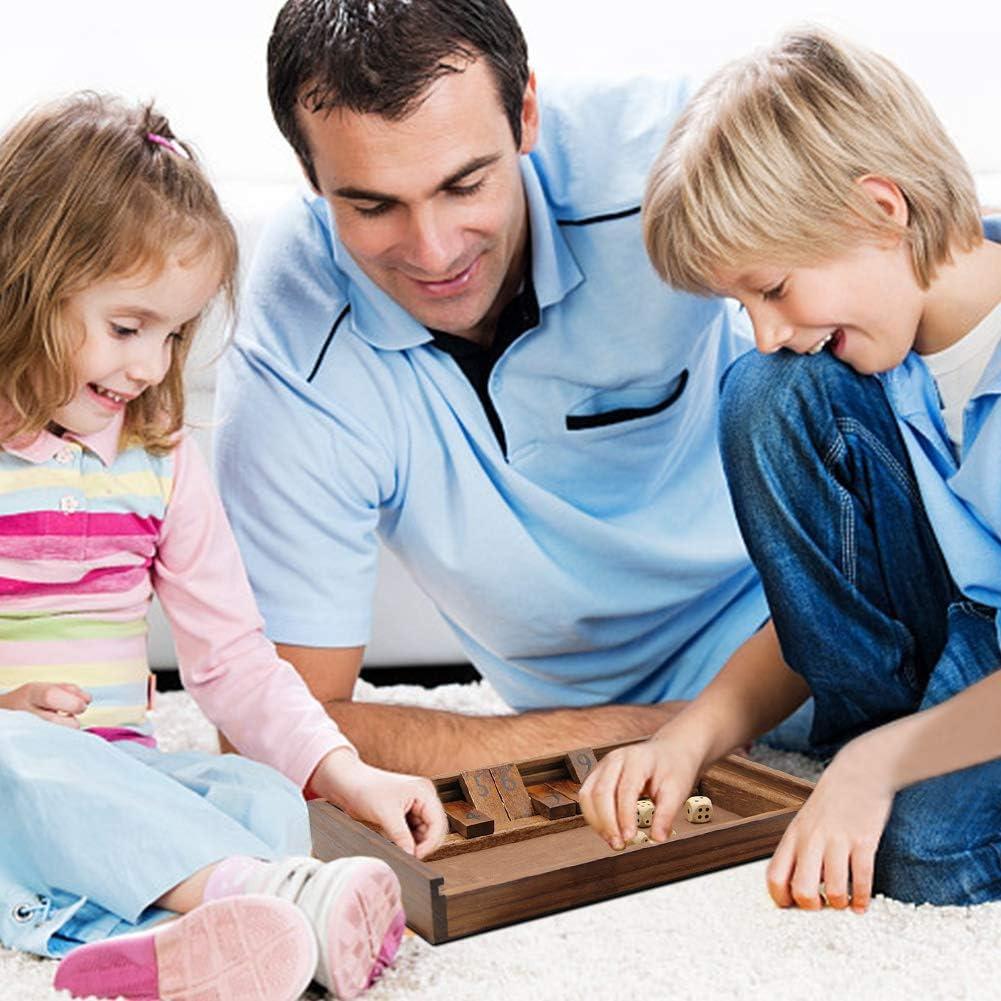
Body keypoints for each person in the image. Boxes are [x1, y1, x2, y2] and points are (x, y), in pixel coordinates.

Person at [214, 0, 770, 776]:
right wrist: (663, 727)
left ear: (527, 116)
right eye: (372, 205)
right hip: (606, 707)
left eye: (465, 184)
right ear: (309, 175)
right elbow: (269, 729)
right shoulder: (292, 348)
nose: (434, 251)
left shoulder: (668, 156)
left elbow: (907, 268)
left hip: (818, 609)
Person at [0, 92, 447, 1000]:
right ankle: (261, 898)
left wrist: (344, 772)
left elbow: (235, 660)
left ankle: (183, 939)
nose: (151, 366)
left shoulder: (160, 464)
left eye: (174, 334)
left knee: (265, 797)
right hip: (16, 770)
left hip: (123, 773)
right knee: (20, 760)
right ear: (20, 283)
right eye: (128, 327)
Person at [579, 28, 1001, 912]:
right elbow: (827, 609)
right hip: (964, 637)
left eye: (769, 289)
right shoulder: (885, 366)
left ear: (881, 209)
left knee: (921, 857)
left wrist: (879, 764)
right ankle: (882, 746)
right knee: (765, 393)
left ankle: (888, 757)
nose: (764, 330)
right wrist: (690, 737)